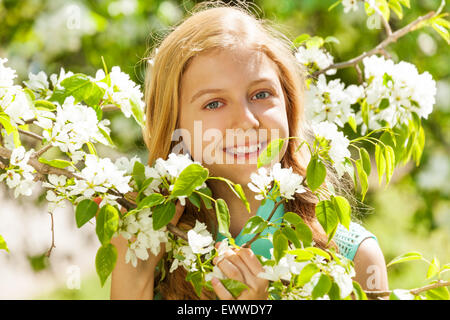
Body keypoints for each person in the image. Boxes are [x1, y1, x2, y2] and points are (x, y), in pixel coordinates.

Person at [110, 3, 389, 300]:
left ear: (289, 105)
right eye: (214, 103)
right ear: (174, 126)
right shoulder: (150, 243)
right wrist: (133, 276)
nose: (246, 120)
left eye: (261, 94)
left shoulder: (351, 256)